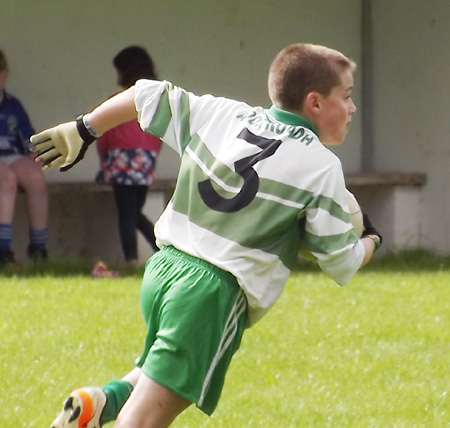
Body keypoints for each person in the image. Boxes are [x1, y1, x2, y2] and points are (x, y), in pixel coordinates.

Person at [30, 43, 383, 428]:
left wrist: (84, 128)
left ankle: (100, 403)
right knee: (145, 419)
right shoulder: (321, 166)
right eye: (346, 97)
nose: (352, 108)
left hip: (164, 270)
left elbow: (146, 93)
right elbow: (340, 261)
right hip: (212, 292)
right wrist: (371, 241)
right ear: (315, 103)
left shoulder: (224, 113)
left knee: (158, 376)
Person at [96, 46, 162, 265]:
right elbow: (158, 137)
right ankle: (162, 250)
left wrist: (104, 164)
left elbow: (102, 132)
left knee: (127, 216)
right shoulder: (154, 102)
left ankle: (132, 260)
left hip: (120, 165)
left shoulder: (119, 101)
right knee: (135, 214)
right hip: (144, 167)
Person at [0, 49, 48, 267]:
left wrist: (34, 154)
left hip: (10, 155)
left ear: (5, 74)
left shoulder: (13, 105)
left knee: (36, 177)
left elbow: (29, 138)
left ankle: (38, 248)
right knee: (6, 180)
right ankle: (3, 250)